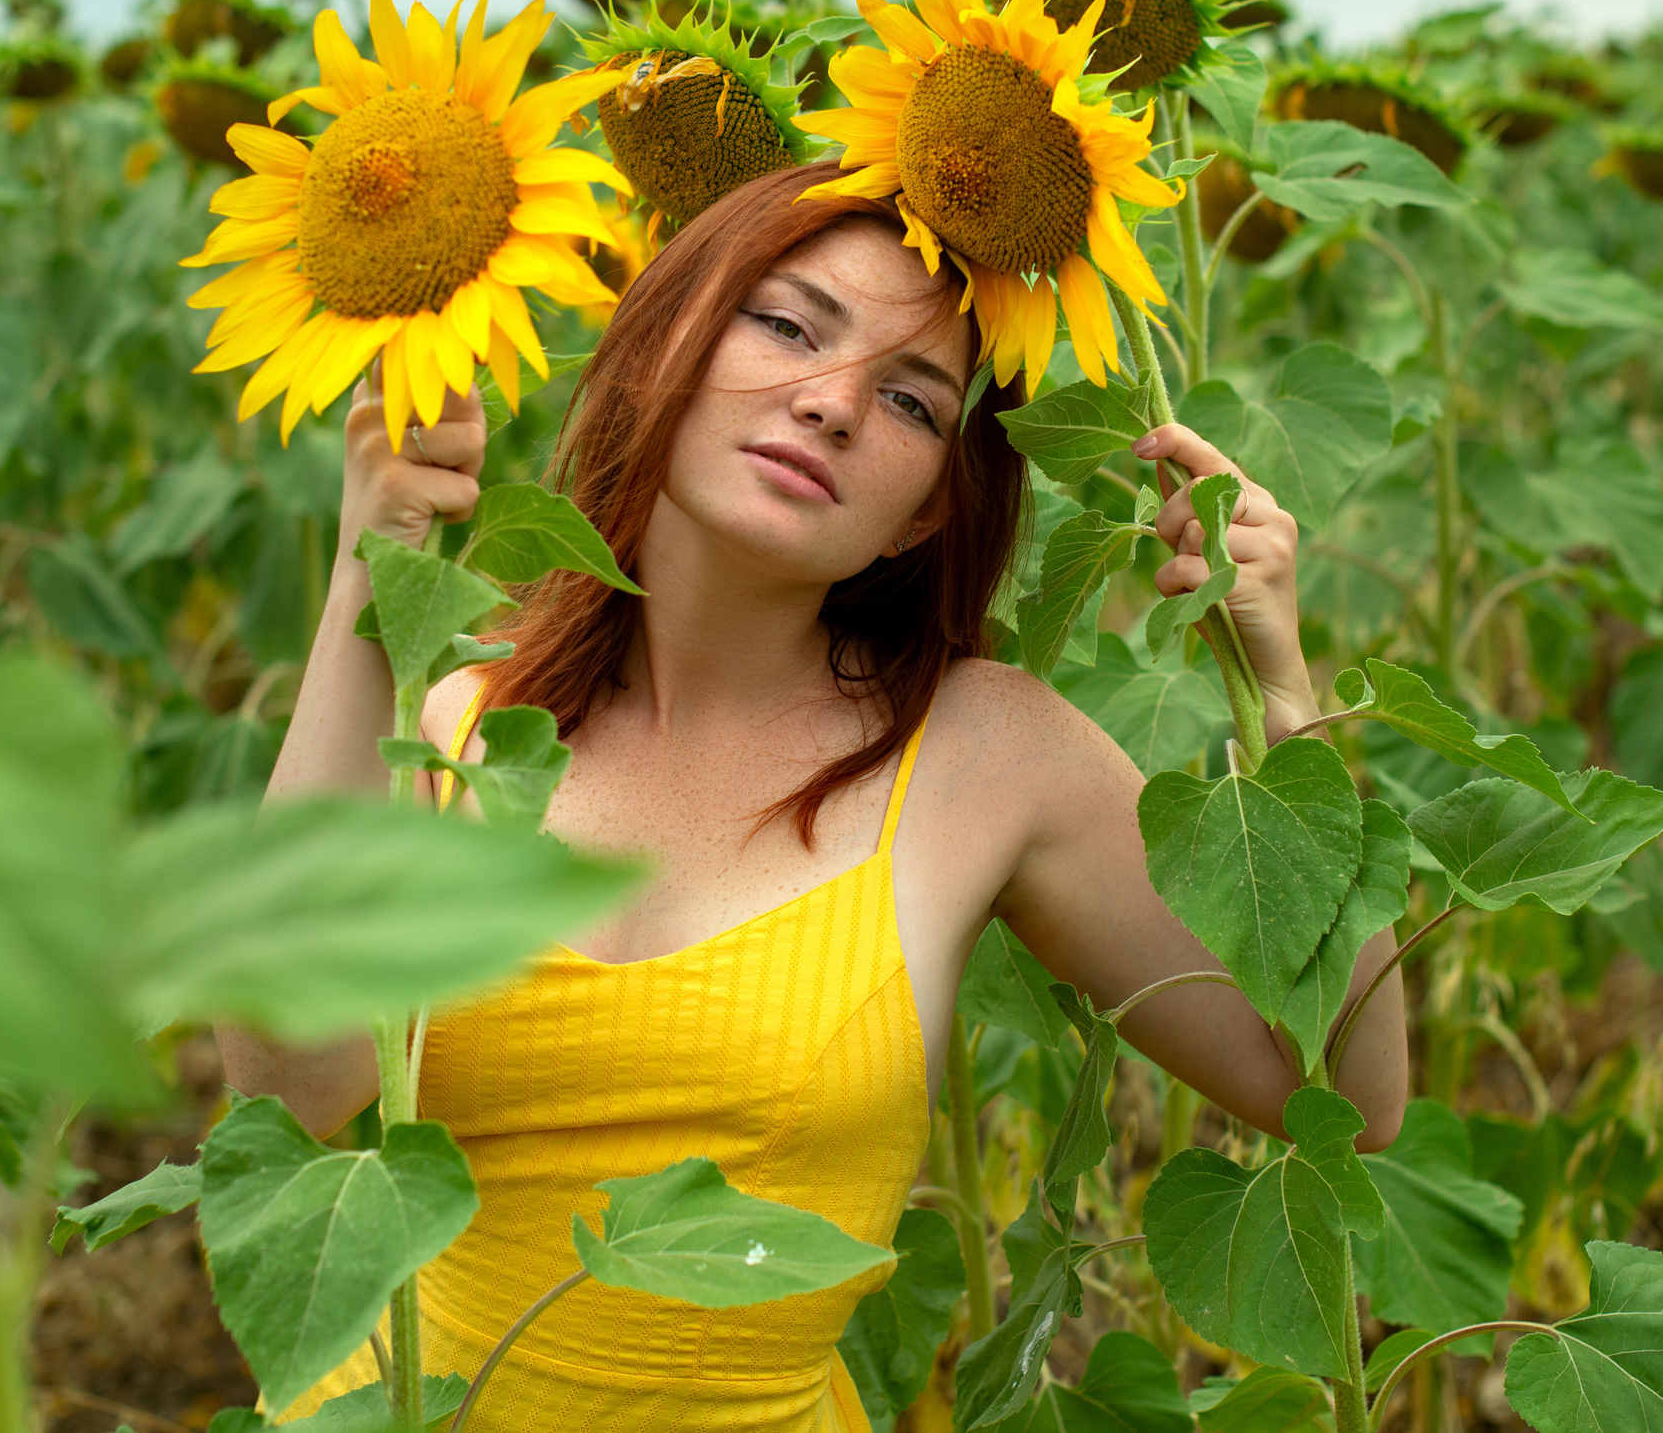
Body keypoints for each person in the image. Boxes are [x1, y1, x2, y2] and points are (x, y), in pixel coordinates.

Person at [219, 161, 1408, 1432]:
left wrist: (1279, 695)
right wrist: (371, 574)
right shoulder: (451, 722)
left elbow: (1338, 1088)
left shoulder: (983, 756)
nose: (832, 402)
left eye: (910, 400)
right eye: (788, 324)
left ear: (923, 514)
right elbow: (286, 1074)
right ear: (662, 341)